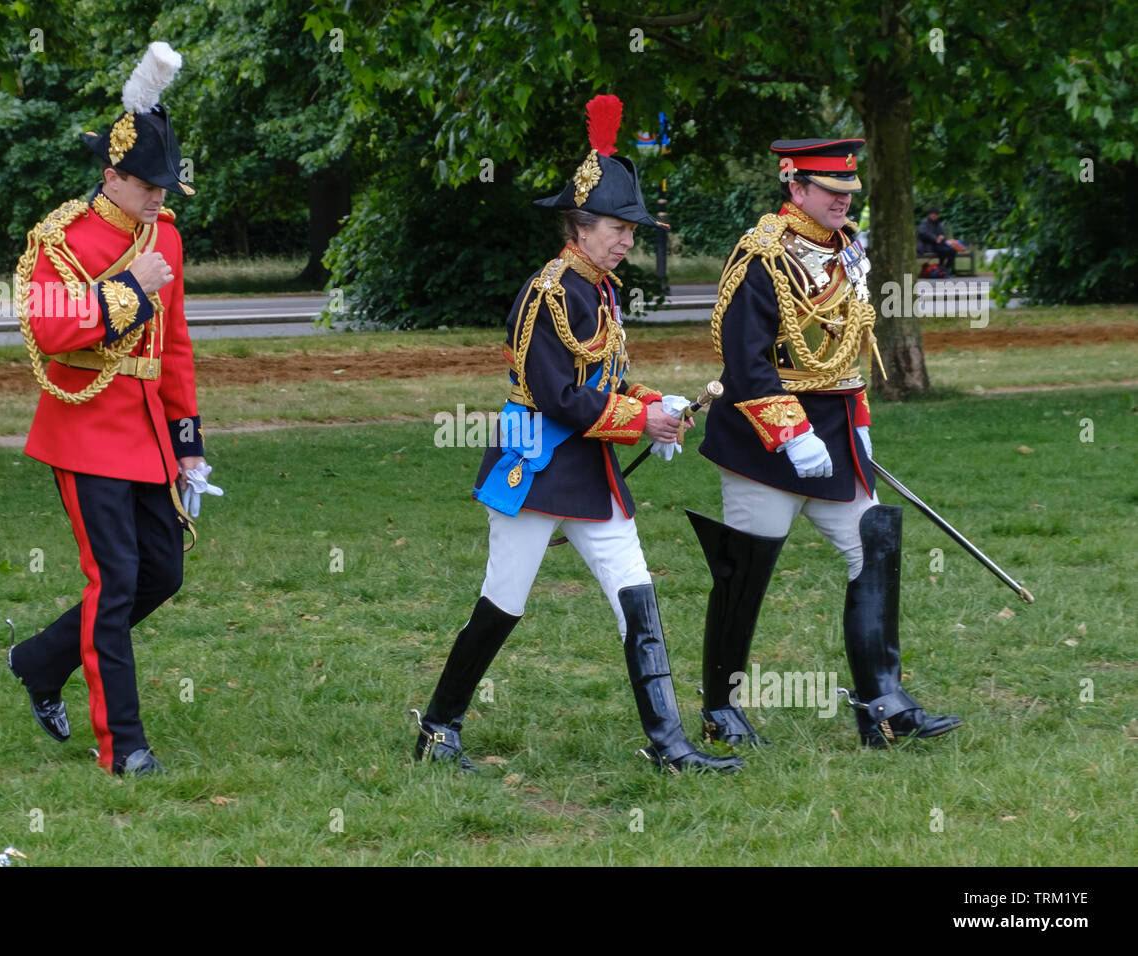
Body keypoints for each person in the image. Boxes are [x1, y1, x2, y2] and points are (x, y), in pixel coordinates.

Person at [412, 95, 741, 775]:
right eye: (617, 228)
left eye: (631, 229)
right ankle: (439, 726)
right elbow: (560, 396)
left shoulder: (600, 291)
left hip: (590, 472)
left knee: (637, 592)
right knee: (502, 604)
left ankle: (669, 744)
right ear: (580, 227)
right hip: (537, 470)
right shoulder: (548, 294)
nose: (627, 239)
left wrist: (658, 405)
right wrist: (636, 422)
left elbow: (608, 380)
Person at [692, 138, 961, 749]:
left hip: (835, 436)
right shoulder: (761, 257)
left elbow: (849, 349)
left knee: (873, 549)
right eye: (831, 191)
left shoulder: (848, 251)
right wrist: (792, 432)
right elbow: (744, 361)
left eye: (848, 191)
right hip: (765, 444)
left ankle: (882, 705)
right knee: (745, 573)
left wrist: (858, 419)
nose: (843, 200)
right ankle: (720, 709)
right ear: (796, 186)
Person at [6, 42, 219, 776]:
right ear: (112, 178)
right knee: (116, 581)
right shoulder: (62, 237)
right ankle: (122, 745)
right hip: (84, 432)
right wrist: (131, 290)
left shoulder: (167, 240)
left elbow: (178, 344)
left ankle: (41, 661)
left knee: (162, 574)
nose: (161, 197)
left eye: (166, 185)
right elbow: (49, 330)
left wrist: (188, 439)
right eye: (148, 185)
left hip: (149, 436)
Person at [916, 206, 957, 276]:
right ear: (929, 215)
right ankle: (941, 268)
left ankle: (945, 268)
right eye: (933, 215)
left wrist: (942, 237)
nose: (934, 216)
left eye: (936, 215)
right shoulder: (924, 223)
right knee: (943, 251)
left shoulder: (938, 223)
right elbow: (923, 233)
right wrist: (935, 239)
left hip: (938, 244)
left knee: (952, 250)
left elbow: (942, 233)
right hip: (928, 245)